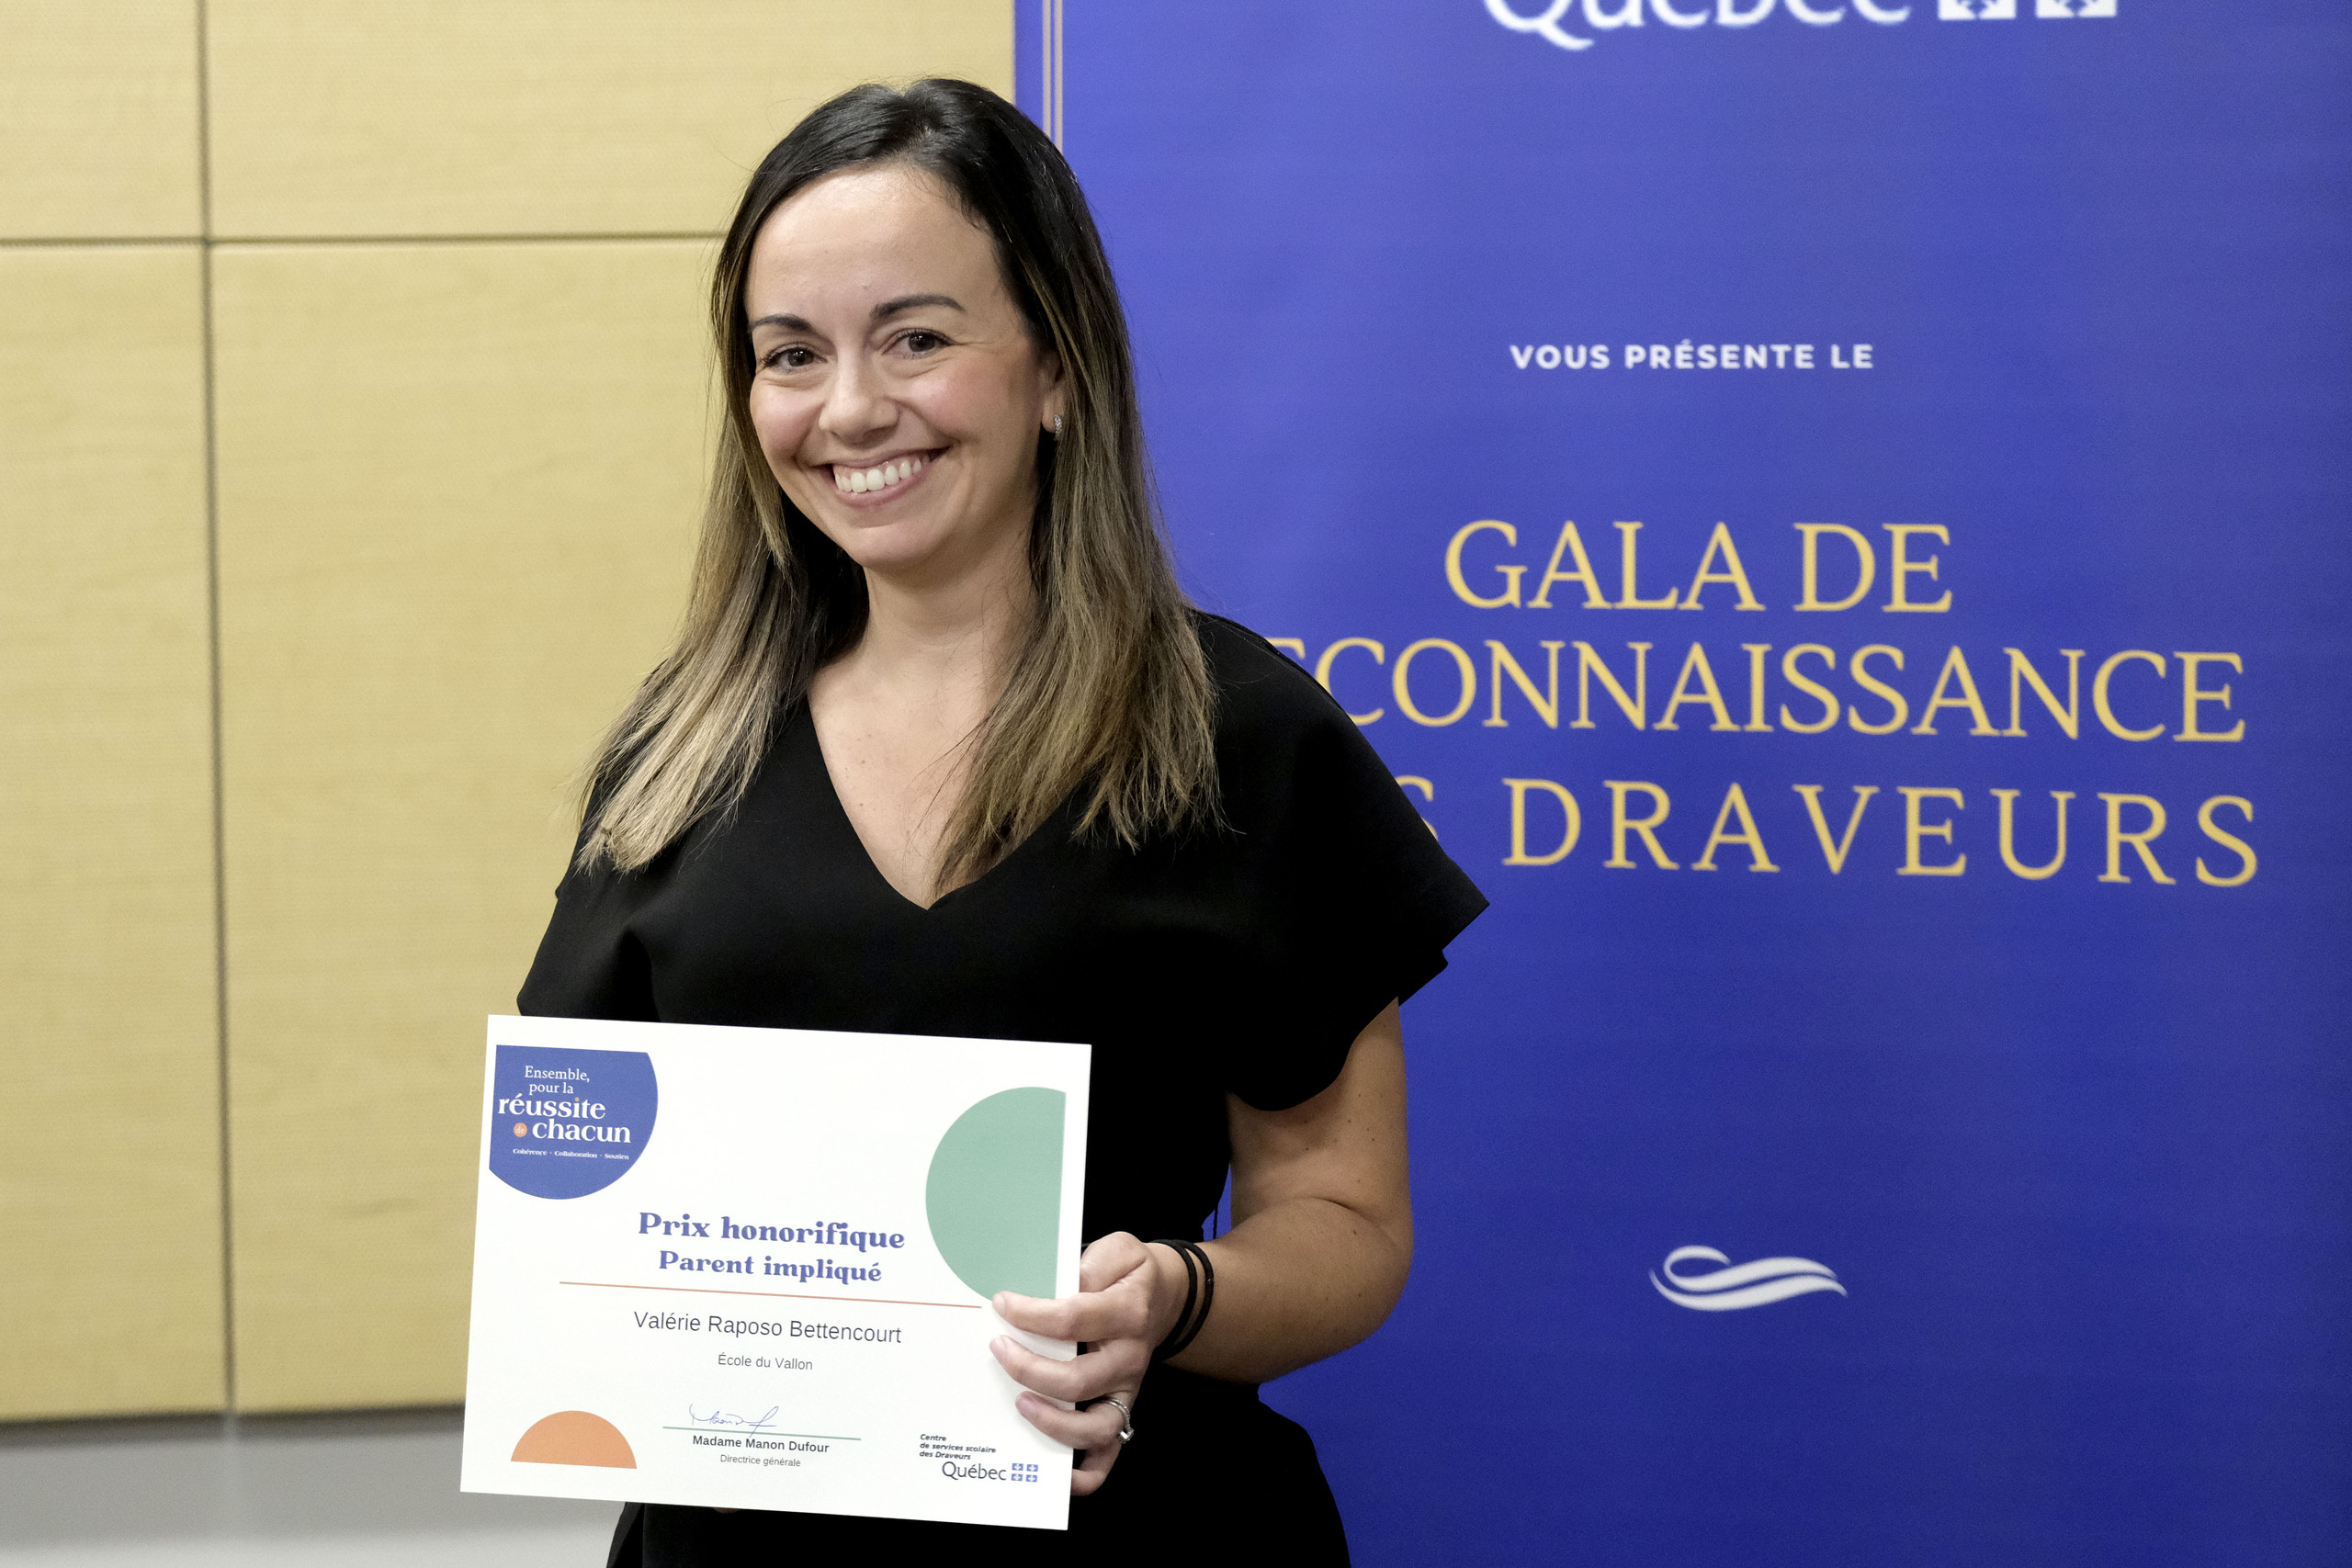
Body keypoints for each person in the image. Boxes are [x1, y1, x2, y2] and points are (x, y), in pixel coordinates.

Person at [517, 78, 1486, 1567]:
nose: (851, 409)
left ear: (1056, 370)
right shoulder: (678, 757)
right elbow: (574, 1191)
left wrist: (1174, 1298)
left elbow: (1347, 1225)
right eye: (791, 354)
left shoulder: (1235, 740)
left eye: (917, 338)